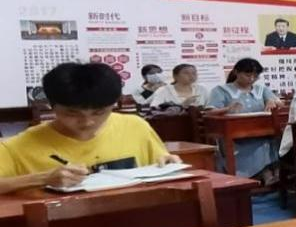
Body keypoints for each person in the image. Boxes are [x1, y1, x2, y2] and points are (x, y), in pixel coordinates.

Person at [0, 63, 181, 194]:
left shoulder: (135, 127)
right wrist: (43, 179)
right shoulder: (18, 146)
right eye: (72, 113)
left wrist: (168, 164)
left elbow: (160, 165)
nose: (87, 122)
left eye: (99, 112)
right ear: (50, 106)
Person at [206, 58, 283, 181]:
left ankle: (275, 175)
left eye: (255, 76)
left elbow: (279, 103)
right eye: (248, 75)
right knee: (260, 146)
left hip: (262, 132)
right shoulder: (221, 90)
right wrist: (227, 109)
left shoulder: (261, 89)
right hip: (235, 138)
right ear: (236, 72)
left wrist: (272, 101)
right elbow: (209, 112)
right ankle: (266, 175)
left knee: (276, 142)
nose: (251, 79)